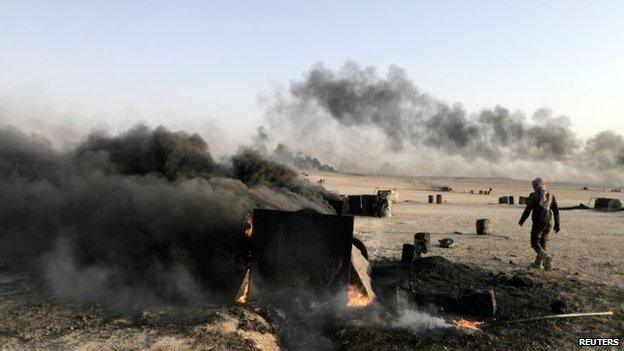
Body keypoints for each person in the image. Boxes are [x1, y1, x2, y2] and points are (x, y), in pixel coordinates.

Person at [518, 177, 560, 270]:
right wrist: (557, 224)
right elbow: (556, 210)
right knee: (543, 241)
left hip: (538, 222)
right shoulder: (551, 195)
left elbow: (528, 209)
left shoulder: (534, 195)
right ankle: (540, 264)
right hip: (549, 222)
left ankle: (546, 257)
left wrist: (522, 220)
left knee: (534, 242)